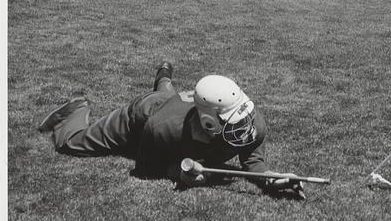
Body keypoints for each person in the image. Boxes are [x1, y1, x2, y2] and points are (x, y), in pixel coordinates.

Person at [38, 63, 305, 197]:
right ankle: (74, 108)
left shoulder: (252, 122)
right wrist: (179, 172)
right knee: (71, 145)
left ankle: (164, 76)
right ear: (209, 124)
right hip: (144, 115)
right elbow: (144, 168)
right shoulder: (163, 129)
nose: (246, 129)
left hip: (178, 105)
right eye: (232, 122)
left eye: (243, 117)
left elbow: (253, 162)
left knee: (170, 97)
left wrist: (271, 179)